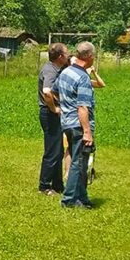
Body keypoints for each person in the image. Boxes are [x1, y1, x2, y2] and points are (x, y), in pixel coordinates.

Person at [55, 41, 97, 209]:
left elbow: (54, 90)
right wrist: (87, 131)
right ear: (89, 57)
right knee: (78, 162)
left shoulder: (66, 72)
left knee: (80, 159)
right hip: (79, 126)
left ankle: (82, 197)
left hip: (66, 123)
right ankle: (69, 199)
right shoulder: (83, 78)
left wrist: (65, 107)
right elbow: (82, 107)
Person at [37, 43, 70, 195]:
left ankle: (57, 185)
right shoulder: (50, 70)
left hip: (54, 114)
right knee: (52, 150)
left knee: (58, 150)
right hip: (49, 114)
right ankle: (44, 186)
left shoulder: (58, 68)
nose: (69, 54)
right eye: (66, 52)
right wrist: (54, 108)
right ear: (60, 56)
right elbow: (47, 92)